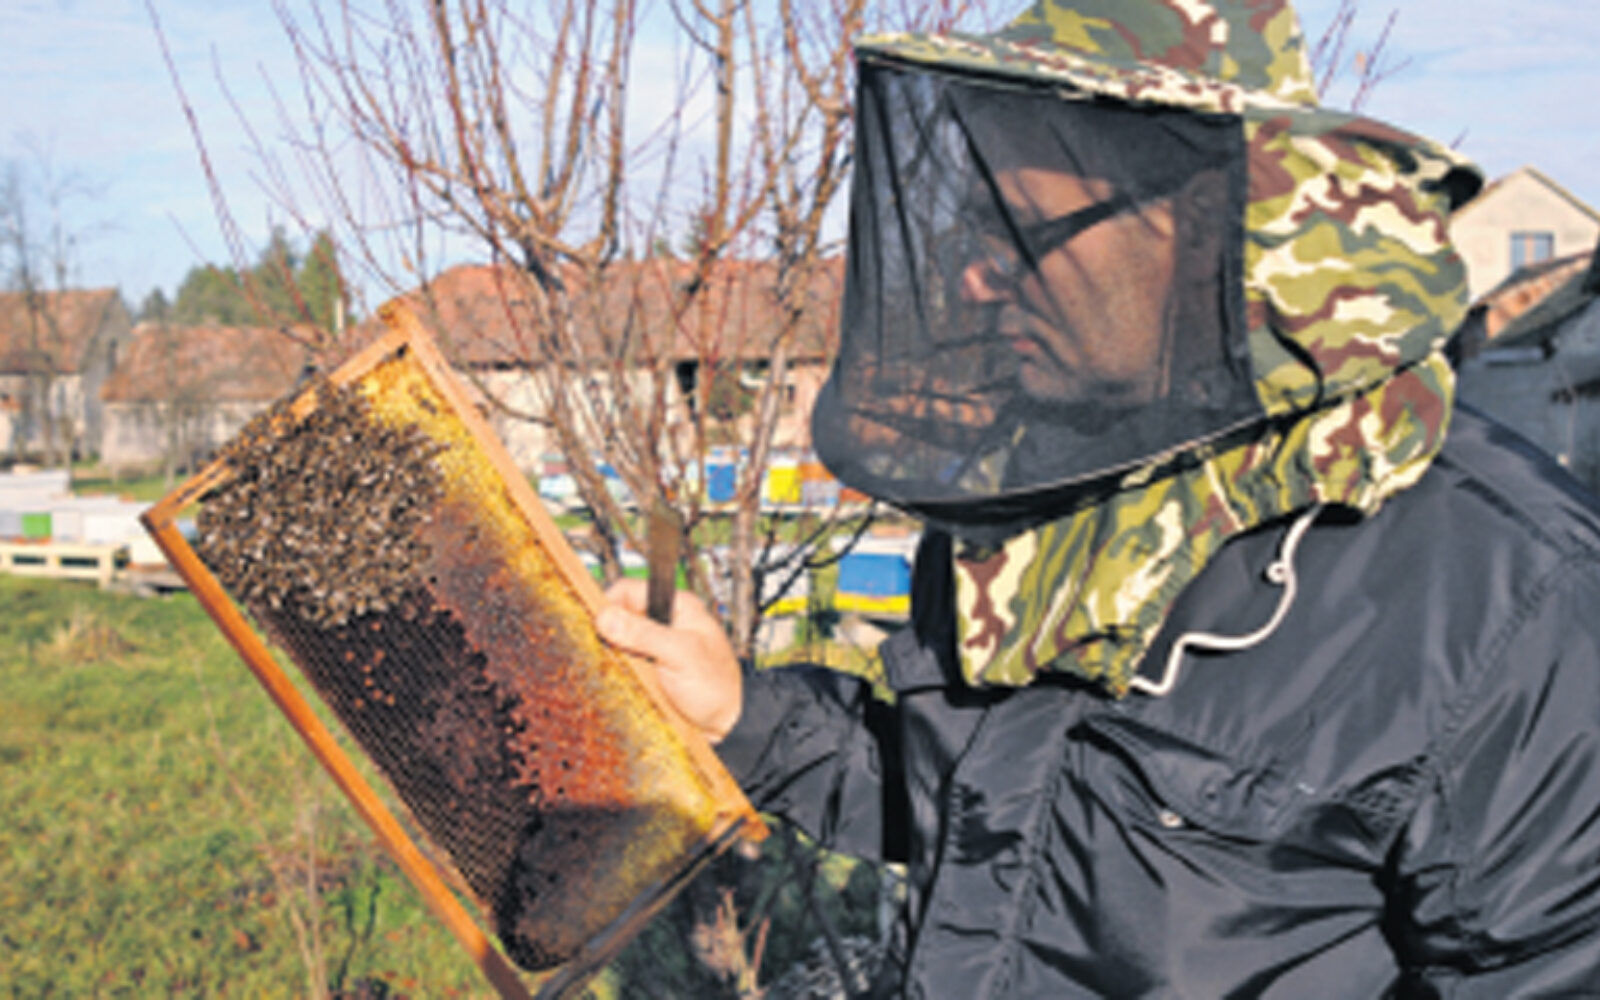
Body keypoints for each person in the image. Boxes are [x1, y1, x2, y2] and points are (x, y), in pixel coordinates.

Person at [598, 1, 1600, 995]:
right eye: (976, 225)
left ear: (1206, 229)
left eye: (1024, 232)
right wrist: (743, 713)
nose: (976, 277)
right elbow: (977, 804)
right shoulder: (1036, 497)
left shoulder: (1504, 593)